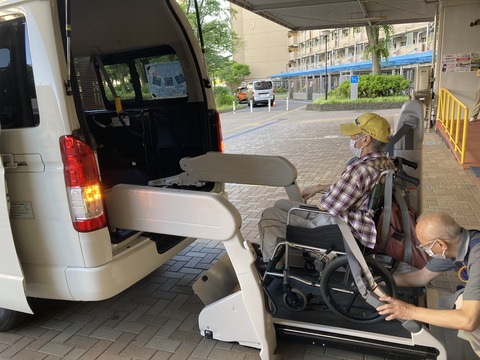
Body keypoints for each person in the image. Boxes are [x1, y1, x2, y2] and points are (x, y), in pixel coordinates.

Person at [257, 113, 396, 266]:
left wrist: (322, 195)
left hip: (339, 227)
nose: (351, 140)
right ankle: (283, 255)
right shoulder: (384, 162)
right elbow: (351, 188)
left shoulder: (358, 169)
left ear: (366, 139)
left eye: (354, 136)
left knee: (269, 216)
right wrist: (318, 187)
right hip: (357, 220)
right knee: (281, 204)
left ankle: (273, 265)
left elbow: (325, 206)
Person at [377, 211, 480, 358]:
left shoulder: (477, 257)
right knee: (444, 303)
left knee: (469, 319)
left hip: (470, 319)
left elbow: (468, 320)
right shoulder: (457, 243)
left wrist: (410, 311)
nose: (425, 250)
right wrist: (382, 280)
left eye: (424, 246)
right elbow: (421, 277)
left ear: (440, 244)